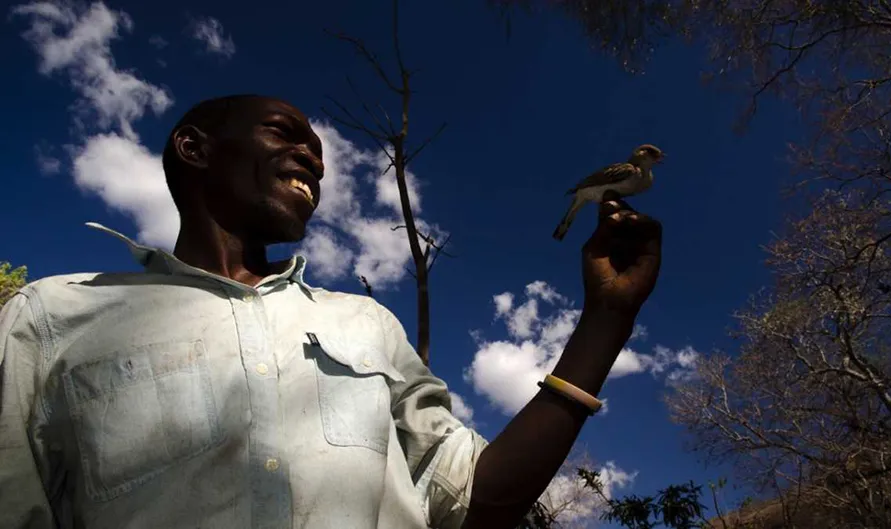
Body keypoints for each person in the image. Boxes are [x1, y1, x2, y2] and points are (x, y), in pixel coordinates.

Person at [0, 95, 662, 529]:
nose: (315, 157)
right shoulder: (51, 319)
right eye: (286, 133)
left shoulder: (367, 326)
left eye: (320, 150)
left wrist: (605, 322)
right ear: (194, 148)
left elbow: (472, 502)